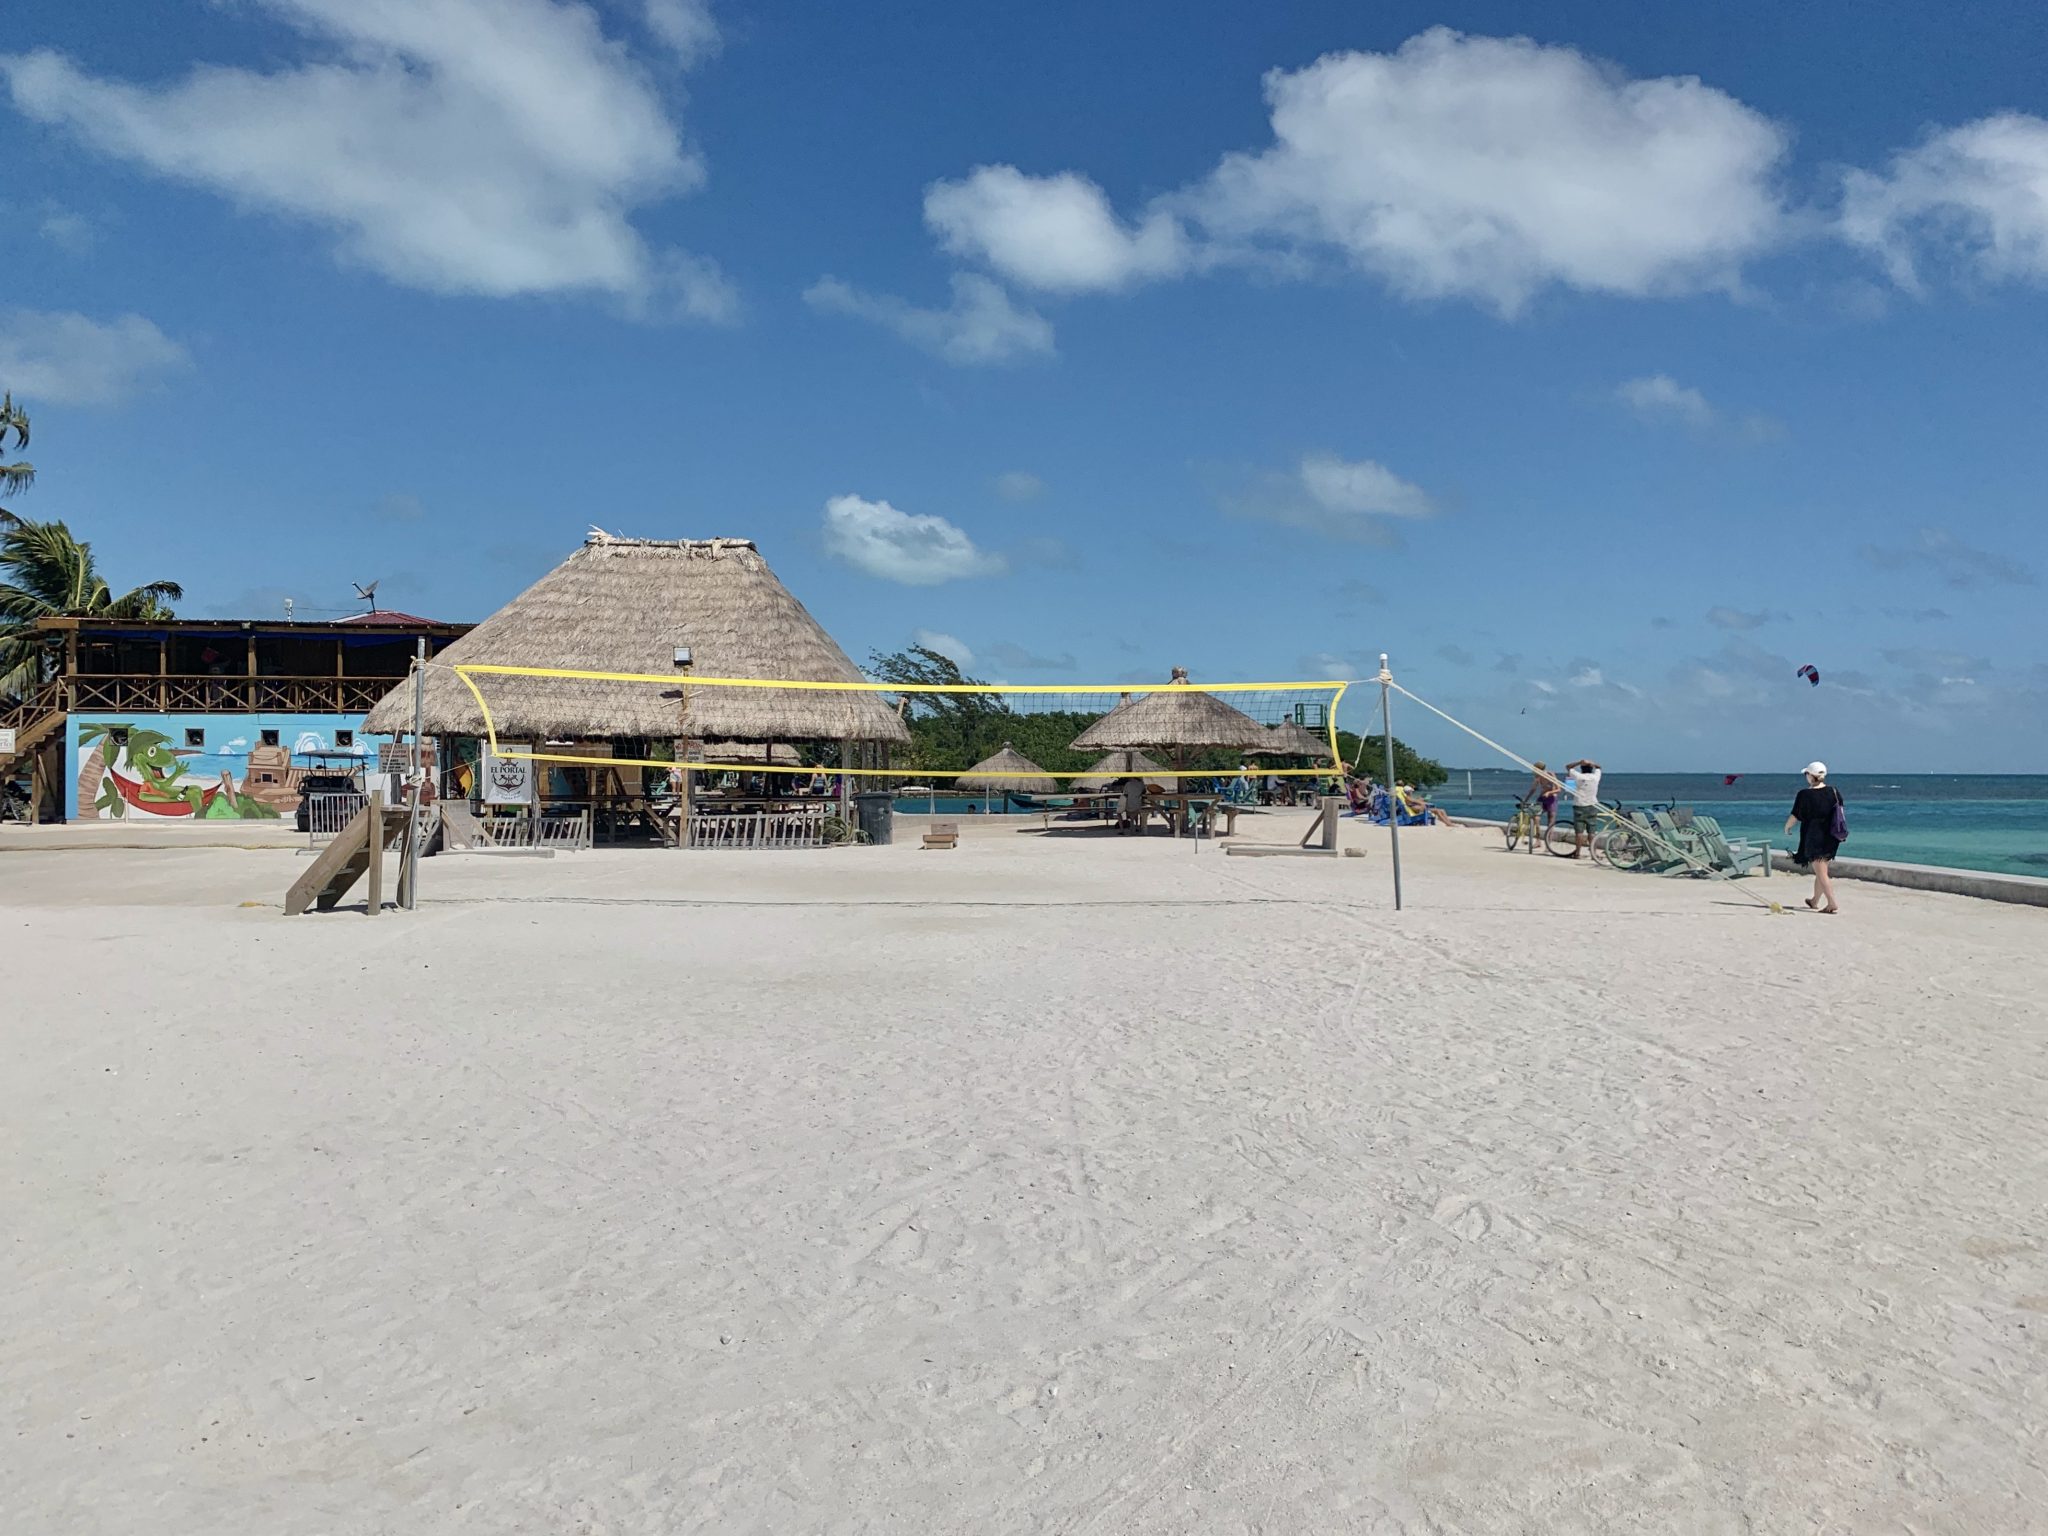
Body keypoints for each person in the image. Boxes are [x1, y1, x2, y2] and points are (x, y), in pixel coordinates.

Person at [1785, 761, 1843, 913]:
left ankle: (1832, 903)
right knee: (1821, 870)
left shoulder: (1804, 794)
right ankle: (1814, 900)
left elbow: (1796, 815)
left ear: (1811, 776)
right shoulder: (1834, 792)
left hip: (1814, 837)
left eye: (1807, 774)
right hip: (1831, 836)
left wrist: (1787, 827)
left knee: (1821, 872)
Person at [1561, 757, 1603, 858]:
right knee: (1591, 831)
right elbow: (1599, 767)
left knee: (1579, 832)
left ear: (1581, 769)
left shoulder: (1578, 776)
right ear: (1591, 769)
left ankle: (1578, 853)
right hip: (1592, 805)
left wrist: (1579, 762)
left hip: (1579, 805)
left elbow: (1568, 767)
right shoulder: (1595, 777)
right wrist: (1592, 762)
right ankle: (1593, 853)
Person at [1526, 760, 1562, 838]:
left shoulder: (1550, 774)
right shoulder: (1538, 777)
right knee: (1536, 817)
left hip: (1552, 799)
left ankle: (1548, 843)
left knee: (1551, 820)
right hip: (1542, 798)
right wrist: (1526, 799)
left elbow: (1559, 789)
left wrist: (1549, 793)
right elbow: (1533, 789)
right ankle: (1538, 840)